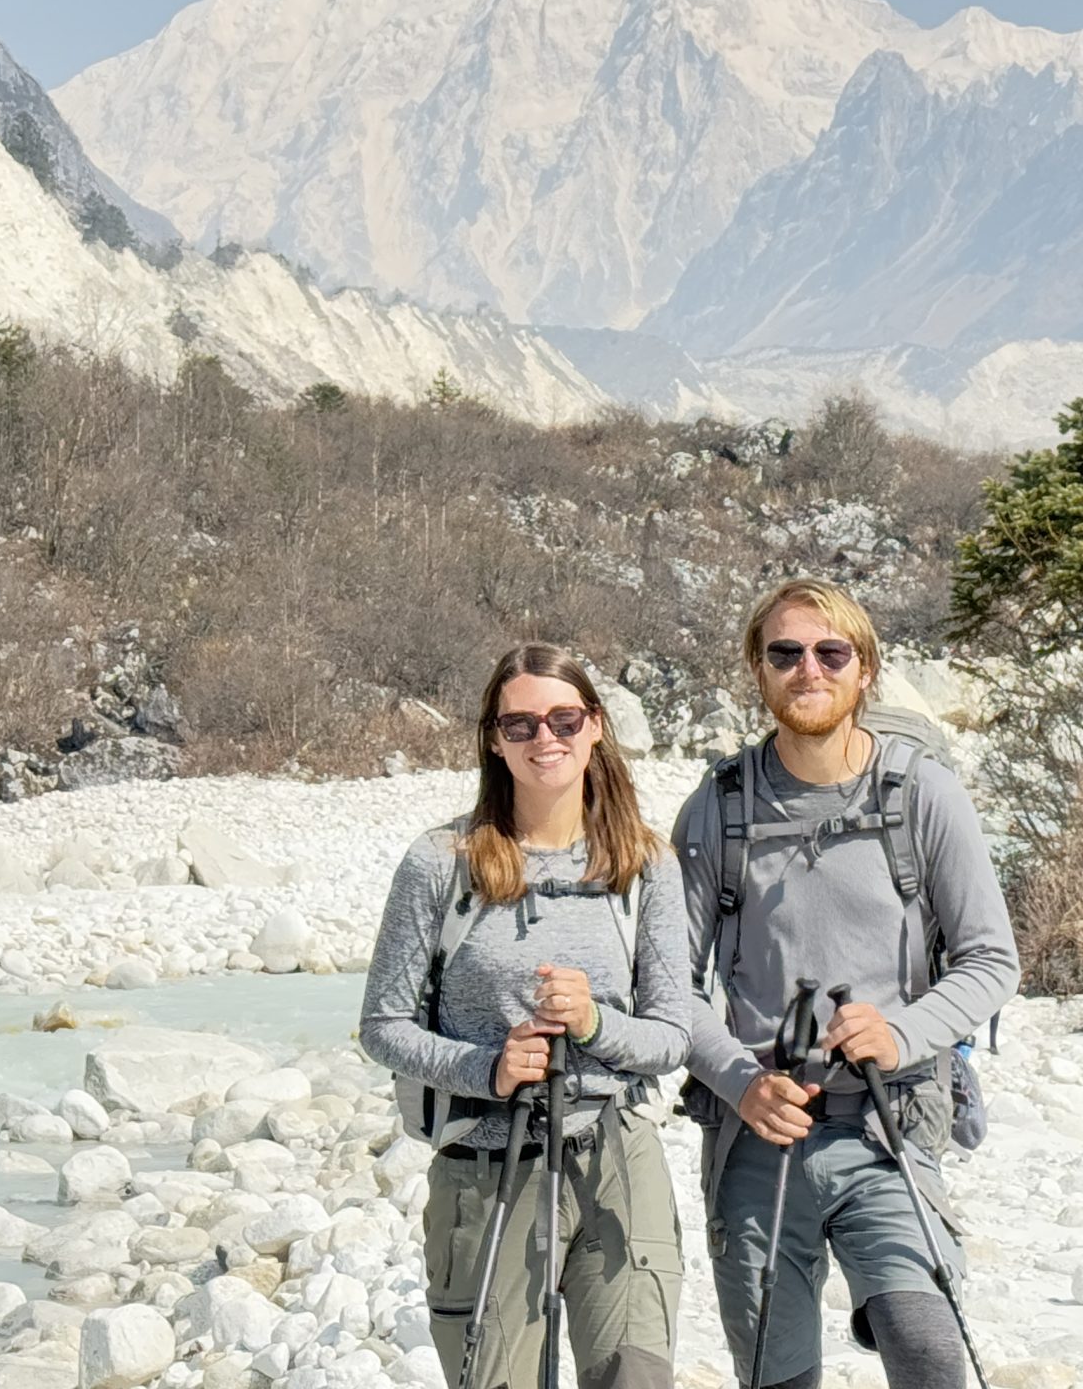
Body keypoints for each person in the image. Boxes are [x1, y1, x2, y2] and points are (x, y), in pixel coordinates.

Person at [677, 577, 1020, 1389]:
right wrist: (740, 1082)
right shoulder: (717, 809)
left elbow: (991, 959)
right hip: (757, 1136)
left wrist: (900, 1033)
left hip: (890, 1124)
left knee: (928, 1348)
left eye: (832, 652)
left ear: (864, 669)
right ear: (758, 671)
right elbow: (668, 990)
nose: (809, 670)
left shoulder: (923, 795)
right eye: (786, 653)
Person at [360, 644, 690, 1389]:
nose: (546, 739)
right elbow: (383, 1025)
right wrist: (490, 1069)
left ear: (596, 726)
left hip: (616, 1158)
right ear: (493, 739)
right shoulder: (441, 863)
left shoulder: (645, 863)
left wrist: (595, 1026)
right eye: (521, 725)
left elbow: (672, 1034)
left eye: (564, 719)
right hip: (484, 1167)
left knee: (634, 1378)